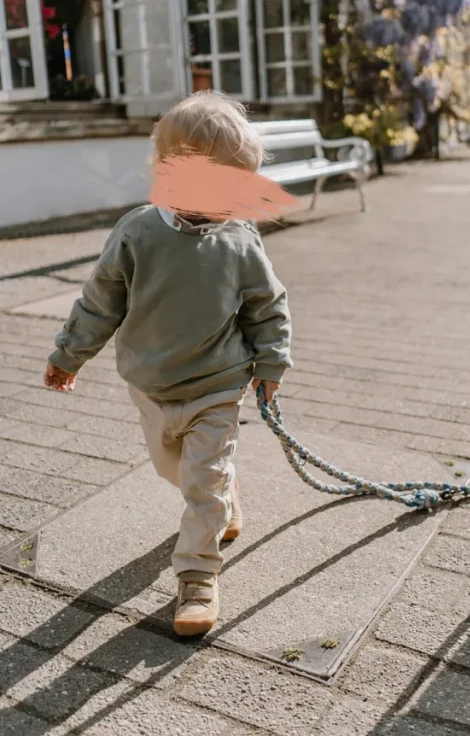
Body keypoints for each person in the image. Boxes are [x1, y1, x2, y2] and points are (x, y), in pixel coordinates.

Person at [42, 91, 292, 636]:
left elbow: (267, 305)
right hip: (152, 386)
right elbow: (99, 302)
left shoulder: (240, 239)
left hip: (219, 385)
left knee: (201, 482)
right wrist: (69, 355)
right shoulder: (136, 233)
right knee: (174, 470)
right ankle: (222, 493)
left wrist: (270, 365)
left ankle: (198, 579)